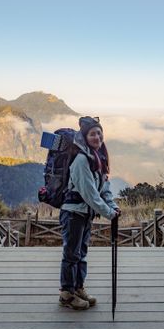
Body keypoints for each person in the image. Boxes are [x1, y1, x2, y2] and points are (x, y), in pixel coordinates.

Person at [59, 116, 120, 310]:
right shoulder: (81, 160)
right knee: (71, 254)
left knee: (81, 253)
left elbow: (104, 188)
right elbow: (89, 194)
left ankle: (78, 288)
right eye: (93, 133)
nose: (97, 137)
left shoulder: (97, 158)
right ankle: (67, 294)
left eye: (99, 133)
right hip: (73, 213)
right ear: (84, 137)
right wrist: (109, 213)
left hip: (84, 214)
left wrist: (112, 205)